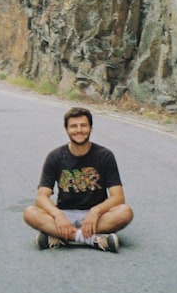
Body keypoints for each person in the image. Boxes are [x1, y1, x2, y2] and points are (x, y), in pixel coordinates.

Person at [23, 106, 133, 251]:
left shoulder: (105, 155)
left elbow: (118, 197)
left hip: (96, 217)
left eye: (83, 125)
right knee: (30, 212)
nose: (79, 130)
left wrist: (96, 211)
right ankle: (91, 239)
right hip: (65, 214)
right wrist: (57, 215)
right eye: (73, 126)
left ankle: (60, 236)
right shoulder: (55, 156)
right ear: (66, 130)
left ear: (91, 128)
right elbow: (42, 197)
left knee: (125, 212)